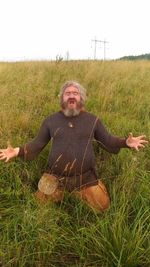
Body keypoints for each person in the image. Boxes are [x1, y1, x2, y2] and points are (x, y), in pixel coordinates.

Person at [0, 81, 148, 211]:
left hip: (86, 179)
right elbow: (37, 144)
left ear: (81, 98)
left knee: (102, 208)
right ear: (62, 98)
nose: (71, 96)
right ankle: (59, 194)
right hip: (54, 178)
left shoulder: (92, 120)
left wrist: (125, 142)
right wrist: (17, 151)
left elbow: (108, 141)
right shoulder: (50, 121)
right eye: (67, 93)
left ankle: (81, 193)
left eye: (75, 93)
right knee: (37, 207)